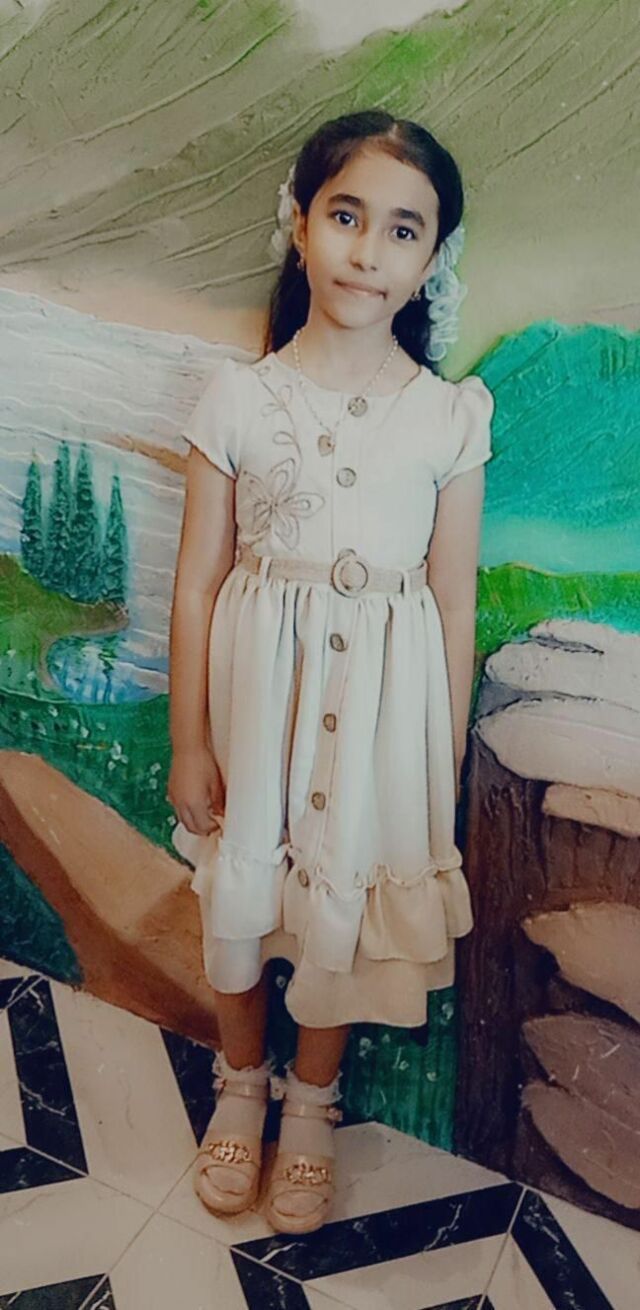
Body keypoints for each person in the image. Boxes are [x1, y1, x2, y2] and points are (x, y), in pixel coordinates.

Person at [167, 108, 494, 1236]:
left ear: (432, 258)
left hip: (380, 724)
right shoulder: (239, 397)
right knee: (243, 891)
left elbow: (453, 600)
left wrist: (439, 763)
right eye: (346, 215)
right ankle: (240, 1083)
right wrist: (190, 741)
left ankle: (311, 1101)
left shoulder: (449, 417)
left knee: (340, 903)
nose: (368, 250)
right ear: (299, 225)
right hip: (258, 709)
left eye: (404, 229)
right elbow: (196, 584)